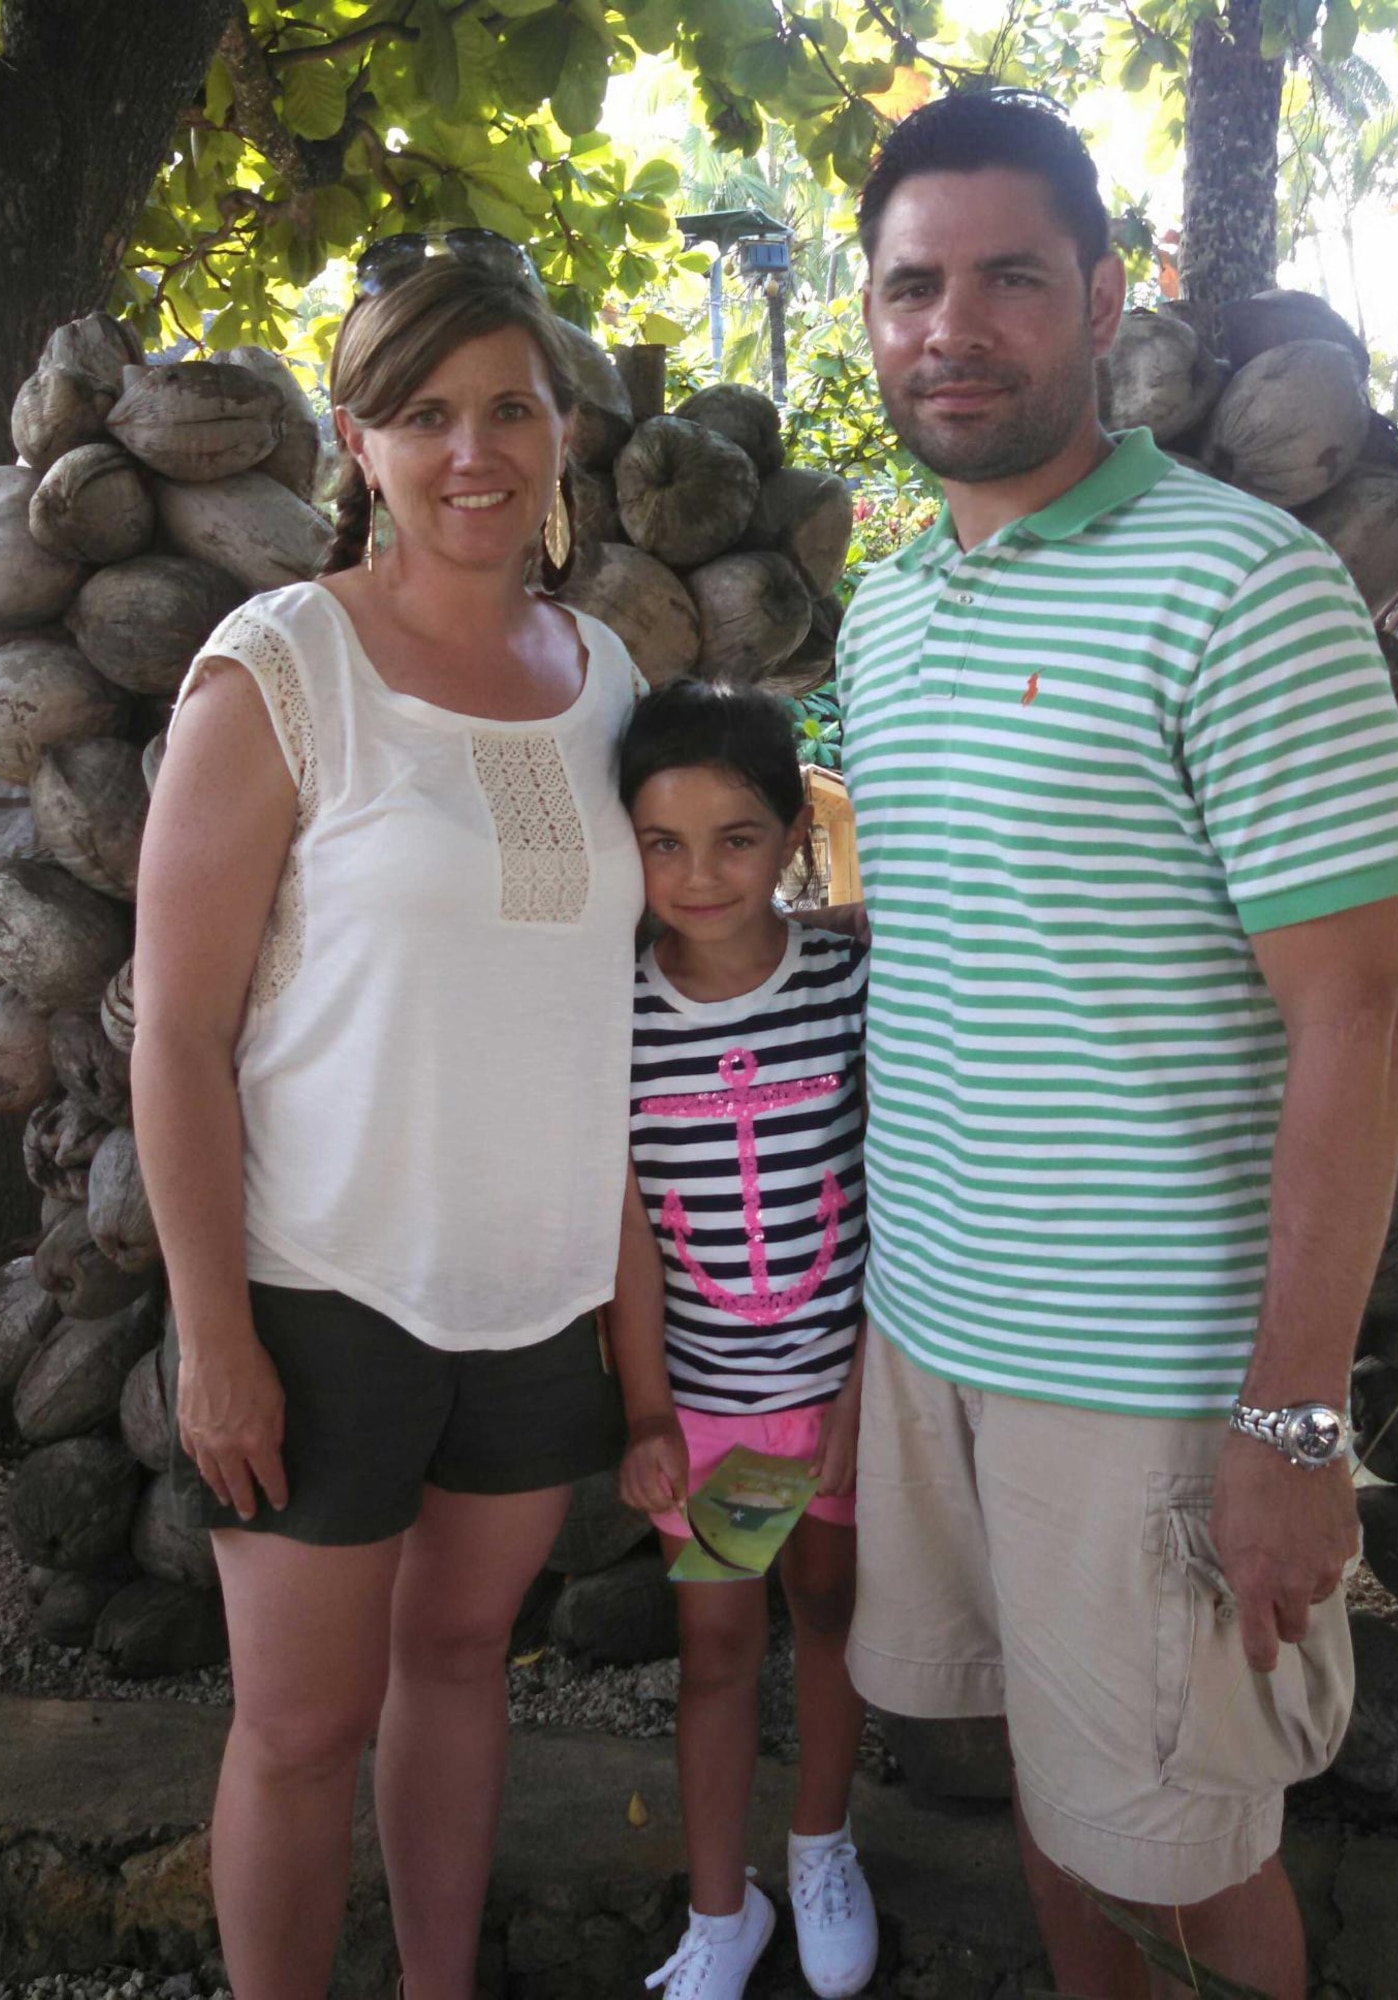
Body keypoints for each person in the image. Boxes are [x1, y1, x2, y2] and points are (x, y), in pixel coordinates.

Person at [834, 91, 1398, 1998]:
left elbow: (1350, 1014)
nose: (958, 324)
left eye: (1011, 276)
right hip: (936, 1336)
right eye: (916, 284)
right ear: (870, 316)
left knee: (1184, 1844)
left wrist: (1290, 1420)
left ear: (1103, 297)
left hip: (1151, 1387)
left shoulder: (1244, 591)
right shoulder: (887, 610)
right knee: (1055, 1790)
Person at [131, 241, 666, 2000]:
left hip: (531, 1305)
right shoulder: (281, 667)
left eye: (509, 406)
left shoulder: (609, 684)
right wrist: (215, 1338)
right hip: (319, 1290)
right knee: (295, 1727)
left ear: (563, 431)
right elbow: (181, 1035)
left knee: (458, 1667)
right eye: (423, 413)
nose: (472, 451)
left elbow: (613, 1013)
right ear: (355, 444)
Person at [614, 679, 879, 2000]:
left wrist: (867, 1383)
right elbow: (632, 1244)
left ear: (791, 834)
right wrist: (650, 1412)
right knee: (717, 1652)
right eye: (664, 842)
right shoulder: (616, 1018)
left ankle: (822, 1843)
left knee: (828, 1613)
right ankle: (725, 1914)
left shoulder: (849, 981)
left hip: (839, 1398)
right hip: (715, 1411)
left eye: (735, 837)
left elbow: (903, 1183)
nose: (700, 873)